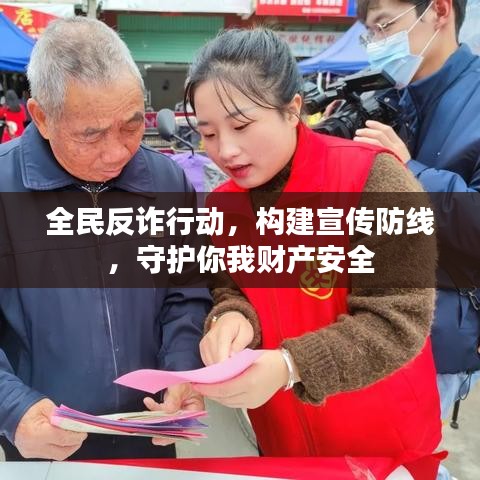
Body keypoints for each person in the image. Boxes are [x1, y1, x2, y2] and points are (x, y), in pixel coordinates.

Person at [186, 28, 442, 479]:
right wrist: (231, 318)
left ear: (292, 110)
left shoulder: (372, 178)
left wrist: (291, 365)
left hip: (384, 449)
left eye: (241, 126)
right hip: (283, 446)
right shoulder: (222, 206)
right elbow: (230, 289)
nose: (225, 150)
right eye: (208, 133)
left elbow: (398, 321)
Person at [0, 17, 211, 461]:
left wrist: (181, 371)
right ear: (41, 117)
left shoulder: (167, 181)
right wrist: (12, 408)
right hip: (43, 438)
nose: (117, 152)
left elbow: (186, 291)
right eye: (90, 134)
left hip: (150, 430)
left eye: (131, 125)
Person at [354, 0, 480, 429]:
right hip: (367, 321)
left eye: (385, 25)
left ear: (440, 11)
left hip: (439, 337)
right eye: (371, 34)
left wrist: (408, 170)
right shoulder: (393, 97)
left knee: (402, 450)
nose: (377, 43)